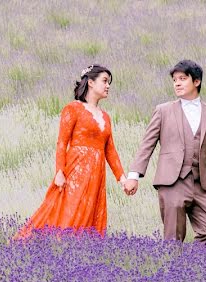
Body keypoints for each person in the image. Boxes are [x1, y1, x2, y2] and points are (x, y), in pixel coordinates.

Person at [14, 65, 127, 240]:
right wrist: (59, 171)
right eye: (104, 81)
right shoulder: (73, 108)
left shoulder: (105, 117)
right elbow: (62, 142)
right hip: (76, 170)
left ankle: (81, 256)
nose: (108, 86)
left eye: (109, 82)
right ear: (90, 82)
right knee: (70, 211)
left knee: (90, 213)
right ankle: (54, 248)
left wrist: (122, 179)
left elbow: (110, 151)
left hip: (97, 175)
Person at [123, 60, 206, 243]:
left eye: (182, 78)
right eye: (174, 80)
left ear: (196, 82)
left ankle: (194, 268)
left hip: (201, 184)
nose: (177, 83)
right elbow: (147, 145)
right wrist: (134, 175)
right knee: (173, 238)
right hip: (172, 182)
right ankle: (174, 270)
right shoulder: (163, 111)